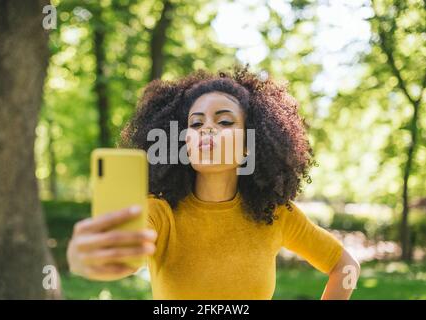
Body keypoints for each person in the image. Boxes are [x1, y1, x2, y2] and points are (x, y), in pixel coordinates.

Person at [66, 65, 360, 299]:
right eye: (196, 123)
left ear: (249, 145)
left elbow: (344, 266)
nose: (207, 129)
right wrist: (88, 258)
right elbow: (121, 260)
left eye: (224, 121)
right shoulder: (159, 213)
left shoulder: (277, 215)